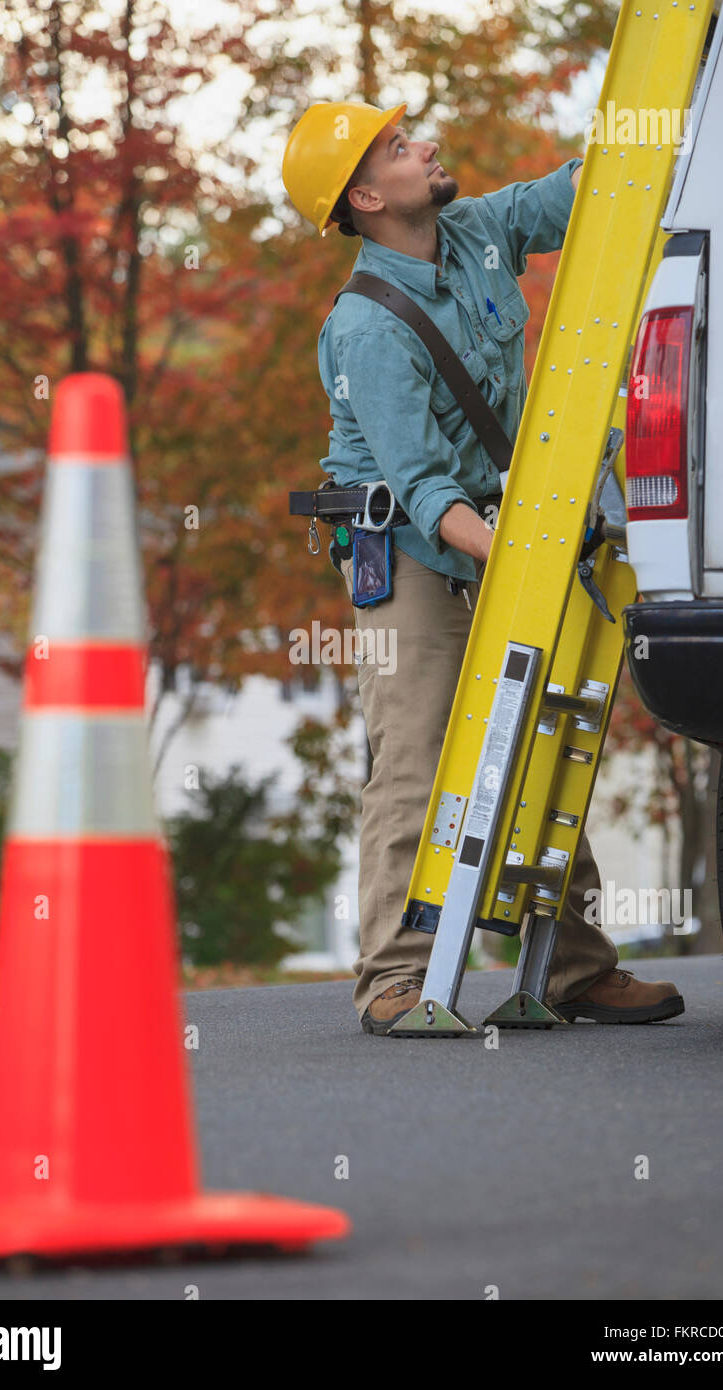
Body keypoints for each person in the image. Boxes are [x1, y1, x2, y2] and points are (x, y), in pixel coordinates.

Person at [282, 100, 684, 1034]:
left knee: (546, 729)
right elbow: (425, 493)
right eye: (397, 147)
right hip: (412, 552)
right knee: (420, 753)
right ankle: (392, 977)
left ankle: (576, 970)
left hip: (495, 525)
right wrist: (527, 551)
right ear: (370, 197)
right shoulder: (366, 331)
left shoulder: (472, 231)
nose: (425, 144)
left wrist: (653, 111)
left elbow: (574, 199)